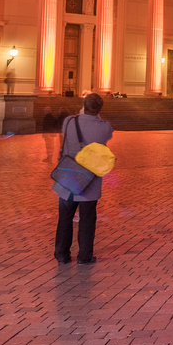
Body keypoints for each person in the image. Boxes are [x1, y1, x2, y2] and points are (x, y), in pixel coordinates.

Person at [52, 93, 114, 264]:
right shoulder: (104, 127)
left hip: (68, 176)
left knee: (65, 217)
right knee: (87, 219)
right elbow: (107, 134)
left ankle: (61, 254)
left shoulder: (69, 122)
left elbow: (67, 133)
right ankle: (84, 256)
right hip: (89, 179)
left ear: (83, 106)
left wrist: (81, 114)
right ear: (100, 109)